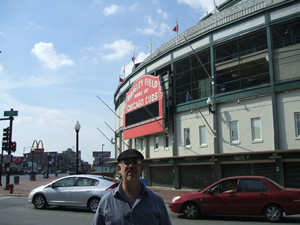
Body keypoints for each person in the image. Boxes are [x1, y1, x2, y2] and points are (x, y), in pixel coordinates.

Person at [92, 149, 172, 225]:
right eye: (127, 163)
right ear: (119, 169)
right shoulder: (106, 202)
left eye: (135, 162)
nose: (131, 166)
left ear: (141, 168)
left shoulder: (156, 201)